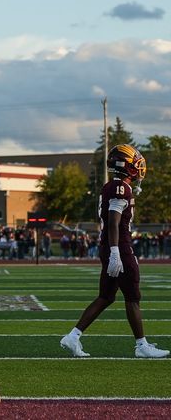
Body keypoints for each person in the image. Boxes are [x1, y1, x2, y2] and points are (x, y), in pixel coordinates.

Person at [61, 145, 169, 359]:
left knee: (106, 296)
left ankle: (73, 336)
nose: (139, 167)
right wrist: (115, 252)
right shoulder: (120, 187)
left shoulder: (114, 186)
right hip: (119, 246)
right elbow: (113, 222)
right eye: (135, 163)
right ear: (125, 165)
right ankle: (142, 346)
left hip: (111, 246)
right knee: (132, 297)